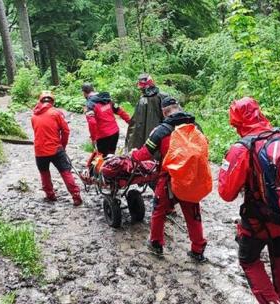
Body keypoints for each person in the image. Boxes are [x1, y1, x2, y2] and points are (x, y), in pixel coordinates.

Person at [218, 97, 280, 304]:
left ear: (236, 120)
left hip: (258, 222)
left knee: (249, 261)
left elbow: (226, 192)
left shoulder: (243, 147)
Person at [130, 96, 207, 262]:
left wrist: (133, 154)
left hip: (169, 179)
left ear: (164, 112)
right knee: (193, 214)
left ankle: (156, 244)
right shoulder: (196, 127)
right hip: (189, 178)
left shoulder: (161, 131)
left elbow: (145, 154)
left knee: (158, 210)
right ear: (178, 107)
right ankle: (198, 249)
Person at [31, 91, 82, 206]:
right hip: (55, 148)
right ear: (52, 102)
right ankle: (76, 196)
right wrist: (63, 146)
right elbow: (65, 131)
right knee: (65, 172)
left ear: (40, 101)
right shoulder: (56, 113)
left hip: (39, 150)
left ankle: (50, 195)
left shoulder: (34, 115)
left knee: (44, 173)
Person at [82, 83, 131, 157]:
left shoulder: (89, 105)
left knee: (103, 159)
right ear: (93, 89)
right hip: (115, 133)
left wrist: (93, 139)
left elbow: (92, 123)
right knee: (111, 157)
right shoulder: (106, 99)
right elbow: (120, 111)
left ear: (84, 93)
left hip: (103, 137)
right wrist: (130, 122)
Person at [125, 74, 166, 153]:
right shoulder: (161, 96)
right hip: (158, 134)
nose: (140, 90)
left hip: (154, 135)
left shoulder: (146, 100)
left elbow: (135, 124)